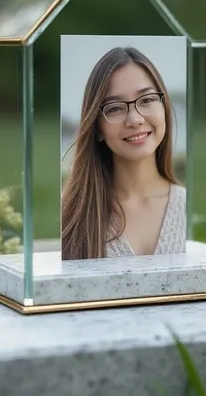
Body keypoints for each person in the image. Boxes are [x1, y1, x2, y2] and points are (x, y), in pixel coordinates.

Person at [61, 46, 186, 260]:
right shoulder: (70, 214)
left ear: (164, 107)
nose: (135, 120)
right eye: (115, 108)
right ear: (97, 127)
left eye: (147, 100)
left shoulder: (187, 208)